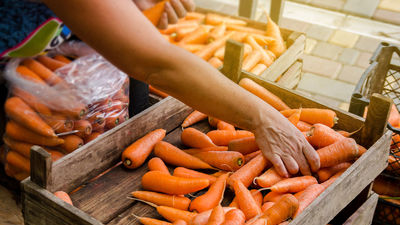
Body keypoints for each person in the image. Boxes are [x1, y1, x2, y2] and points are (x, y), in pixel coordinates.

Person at [3, 0, 320, 177]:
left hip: (58, 49)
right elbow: (156, 65)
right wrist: (261, 117)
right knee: (31, 169)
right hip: (16, 66)